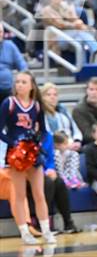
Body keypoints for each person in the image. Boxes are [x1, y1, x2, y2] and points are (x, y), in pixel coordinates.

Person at [0, 72, 55, 245]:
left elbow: (45, 130)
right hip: (16, 155)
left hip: (33, 153)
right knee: (19, 195)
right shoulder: (8, 103)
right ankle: (24, 232)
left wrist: (38, 142)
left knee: (39, 193)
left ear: (32, 86)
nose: (20, 85)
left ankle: (46, 231)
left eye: (24, 82)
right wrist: (14, 143)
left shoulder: (37, 106)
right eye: (17, 82)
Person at [41, 82, 83, 148]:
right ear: (42, 97)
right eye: (48, 95)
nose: (52, 97)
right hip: (53, 146)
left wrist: (77, 141)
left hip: (70, 143)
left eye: (55, 95)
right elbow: (47, 133)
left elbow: (75, 128)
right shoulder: (41, 113)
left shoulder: (63, 110)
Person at [0, 22, 27, 105]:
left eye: (0, 32)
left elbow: (22, 64)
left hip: (8, 88)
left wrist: (23, 77)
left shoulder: (10, 46)